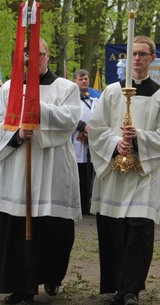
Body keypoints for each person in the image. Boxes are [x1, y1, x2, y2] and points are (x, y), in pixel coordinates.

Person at [0, 38, 82, 304]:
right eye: (26, 54)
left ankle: (51, 276)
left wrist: (36, 109)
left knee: (55, 228)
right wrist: (17, 134)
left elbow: (70, 119)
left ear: (47, 56)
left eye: (38, 53)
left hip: (53, 165)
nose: (31, 58)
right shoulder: (9, 88)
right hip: (19, 166)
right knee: (18, 225)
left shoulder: (67, 87)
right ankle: (21, 287)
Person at [88, 35, 160, 305]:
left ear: (153, 58)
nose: (137, 58)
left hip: (144, 174)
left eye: (142, 54)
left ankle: (131, 290)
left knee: (139, 229)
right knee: (116, 229)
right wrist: (116, 143)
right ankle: (117, 285)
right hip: (115, 172)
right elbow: (96, 128)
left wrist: (138, 138)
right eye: (133, 54)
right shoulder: (111, 91)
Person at [72, 69, 100, 215]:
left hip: (92, 140)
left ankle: (87, 203)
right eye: (81, 79)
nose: (84, 81)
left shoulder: (95, 98)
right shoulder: (71, 98)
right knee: (78, 173)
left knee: (90, 173)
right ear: (75, 81)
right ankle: (78, 203)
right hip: (75, 140)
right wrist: (83, 126)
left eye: (86, 78)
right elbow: (68, 117)